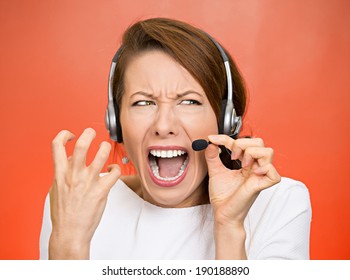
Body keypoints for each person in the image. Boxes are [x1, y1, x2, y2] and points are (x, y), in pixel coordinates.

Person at [39, 17, 311, 260]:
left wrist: (229, 226)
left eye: (189, 101)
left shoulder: (279, 202)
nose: (164, 125)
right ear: (116, 123)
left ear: (226, 121)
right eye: (143, 103)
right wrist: (69, 245)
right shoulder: (74, 199)